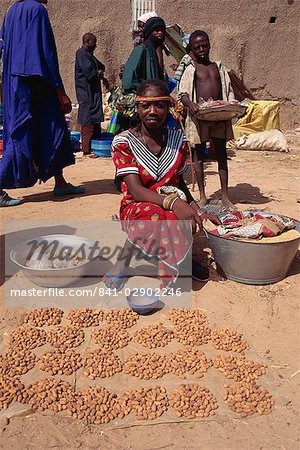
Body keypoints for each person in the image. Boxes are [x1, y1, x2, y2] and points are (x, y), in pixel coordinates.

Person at [104, 79, 220, 291]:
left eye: (159, 105)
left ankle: (181, 260)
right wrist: (174, 203)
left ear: (169, 107)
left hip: (171, 201)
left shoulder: (178, 140)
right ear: (136, 108)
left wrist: (197, 210)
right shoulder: (124, 142)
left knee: (183, 217)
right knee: (154, 214)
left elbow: (180, 185)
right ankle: (124, 261)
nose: (152, 111)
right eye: (145, 105)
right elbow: (137, 191)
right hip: (138, 206)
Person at [0, 0, 85, 206]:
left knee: (50, 130)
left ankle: (60, 182)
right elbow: (44, 54)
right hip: (37, 83)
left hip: (17, 82)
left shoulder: (12, 11)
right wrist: (59, 91)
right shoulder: (37, 9)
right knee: (22, 134)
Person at [178, 30, 236, 209]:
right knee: (198, 156)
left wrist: (231, 103)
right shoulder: (191, 70)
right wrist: (191, 104)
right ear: (192, 50)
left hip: (219, 117)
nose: (202, 49)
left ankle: (225, 196)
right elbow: (183, 93)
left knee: (221, 155)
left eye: (204, 45)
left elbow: (228, 90)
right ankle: (202, 196)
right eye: (197, 47)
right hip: (199, 119)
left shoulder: (218, 68)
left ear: (209, 45)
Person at [75, 33, 109, 157]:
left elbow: (100, 66)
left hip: (93, 92)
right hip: (86, 92)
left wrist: (101, 72)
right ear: (87, 41)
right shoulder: (81, 54)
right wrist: (99, 73)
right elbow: (90, 73)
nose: (96, 45)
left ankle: (95, 145)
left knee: (95, 117)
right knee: (88, 117)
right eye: (93, 42)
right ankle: (86, 148)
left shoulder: (89, 55)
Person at [122, 17, 167, 93]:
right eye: (156, 30)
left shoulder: (155, 51)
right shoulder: (142, 49)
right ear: (149, 31)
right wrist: (145, 90)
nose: (160, 33)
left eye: (162, 30)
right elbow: (128, 80)